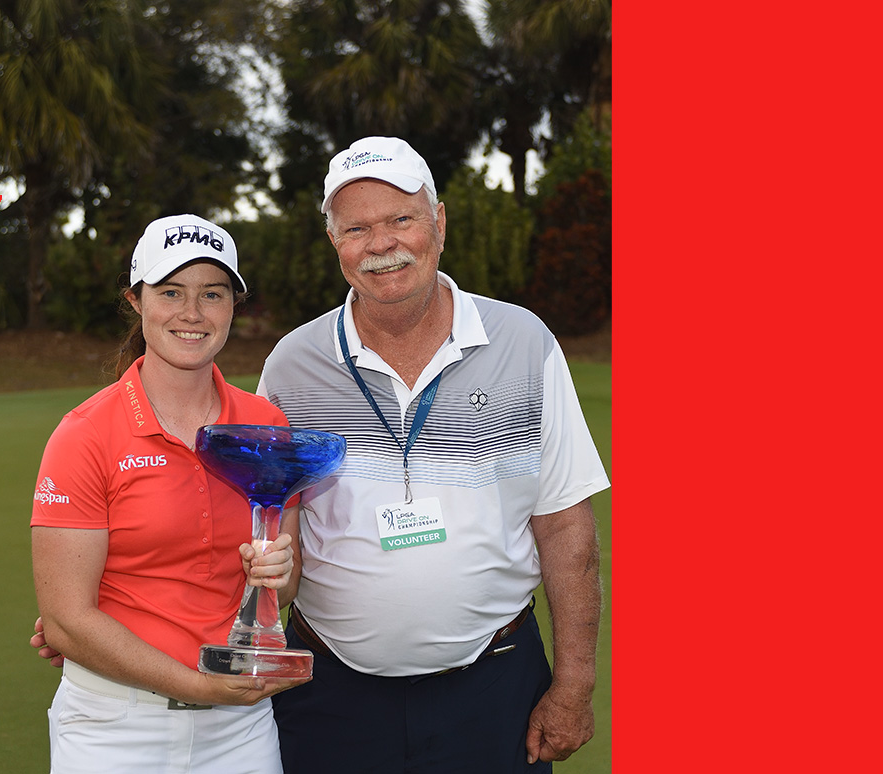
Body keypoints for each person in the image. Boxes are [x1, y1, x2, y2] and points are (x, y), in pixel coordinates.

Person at [35, 138, 611, 773]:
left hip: (493, 682)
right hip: (332, 694)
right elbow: (269, 541)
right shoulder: (293, 367)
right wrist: (85, 621)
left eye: (401, 219)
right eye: (357, 227)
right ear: (335, 242)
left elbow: (565, 528)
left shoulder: (524, 342)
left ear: (439, 222)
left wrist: (575, 684)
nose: (382, 243)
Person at [29, 213, 308, 774]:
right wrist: (198, 687)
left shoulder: (265, 424)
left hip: (239, 729)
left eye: (213, 293)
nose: (192, 313)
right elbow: (65, 621)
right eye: (171, 291)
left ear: (234, 305)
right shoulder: (85, 434)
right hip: (112, 727)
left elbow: (285, 585)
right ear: (137, 300)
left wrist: (279, 569)